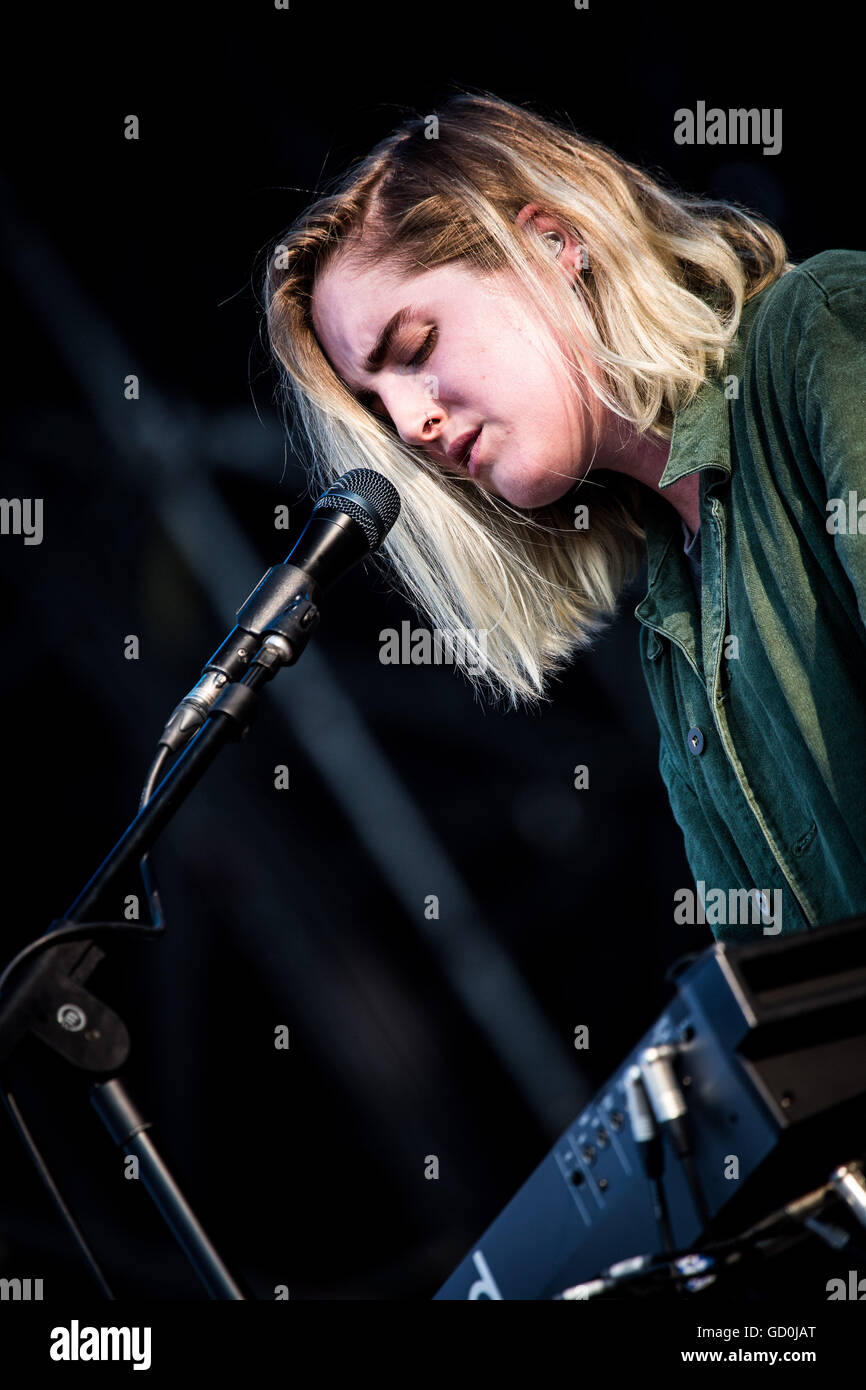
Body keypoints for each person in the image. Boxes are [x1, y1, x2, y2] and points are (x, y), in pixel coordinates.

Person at [262, 90, 866, 945]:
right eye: (376, 401)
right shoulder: (670, 619)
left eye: (417, 349)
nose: (407, 426)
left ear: (552, 245)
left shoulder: (819, 331)